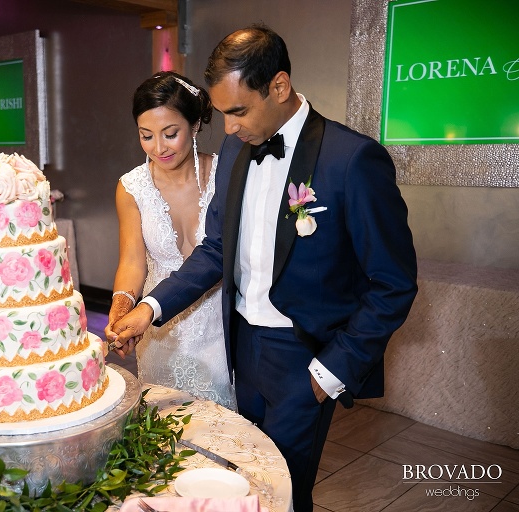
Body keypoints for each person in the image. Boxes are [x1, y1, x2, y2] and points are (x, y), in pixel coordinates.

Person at [109, 25, 418, 511]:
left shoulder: (352, 159)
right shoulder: (237, 149)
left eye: (238, 111)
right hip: (240, 349)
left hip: (304, 358)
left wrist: (331, 370)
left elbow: (393, 283)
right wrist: (149, 308)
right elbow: (214, 251)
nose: (228, 128)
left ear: (278, 86)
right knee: (242, 486)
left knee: (285, 492)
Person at [104, 71, 237, 410]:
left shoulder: (228, 175)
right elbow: (133, 262)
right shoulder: (131, 187)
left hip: (222, 331)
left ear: (194, 127)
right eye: (146, 136)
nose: (158, 148)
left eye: (170, 133)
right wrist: (121, 311)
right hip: (161, 334)